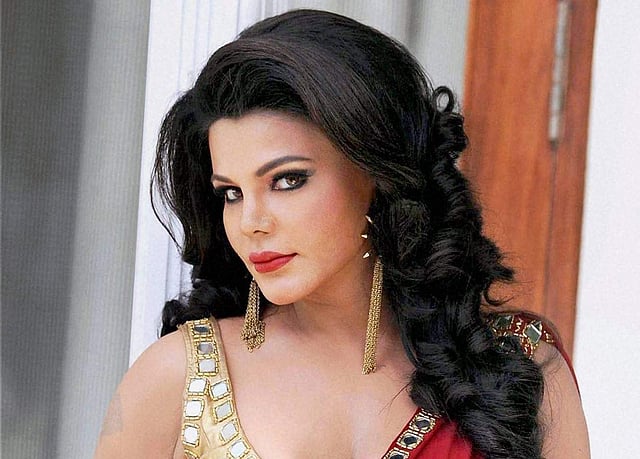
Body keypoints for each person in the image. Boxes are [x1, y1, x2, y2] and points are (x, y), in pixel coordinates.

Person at [94, 9, 589, 459]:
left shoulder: (518, 367)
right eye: (232, 193)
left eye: (287, 180)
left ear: (376, 175)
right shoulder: (177, 379)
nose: (251, 222)